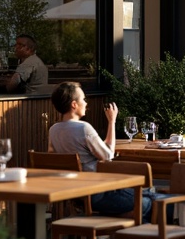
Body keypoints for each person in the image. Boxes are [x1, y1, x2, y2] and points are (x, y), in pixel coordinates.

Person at [47, 81, 137, 216]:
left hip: (75, 195)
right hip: (99, 193)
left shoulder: (53, 130)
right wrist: (112, 121)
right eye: (83, 99)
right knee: (152, 200)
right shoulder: (83, 128)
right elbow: (108, 156)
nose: (86, 103)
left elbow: (51, 155)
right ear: (74, 104)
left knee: (150, 201)